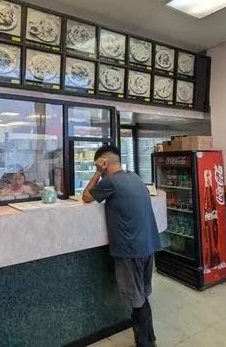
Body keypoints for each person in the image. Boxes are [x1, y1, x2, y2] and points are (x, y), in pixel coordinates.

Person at [82, 145, 161, 347]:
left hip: (130, 249)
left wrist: (97, 173)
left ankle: (144, 343)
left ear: (103, 162)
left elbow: (86, 197)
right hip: (148, 245)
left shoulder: (110, 181)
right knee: (142, 295)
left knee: (137, 300)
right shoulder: (134, 176)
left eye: (99, 164)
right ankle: (150, 339)